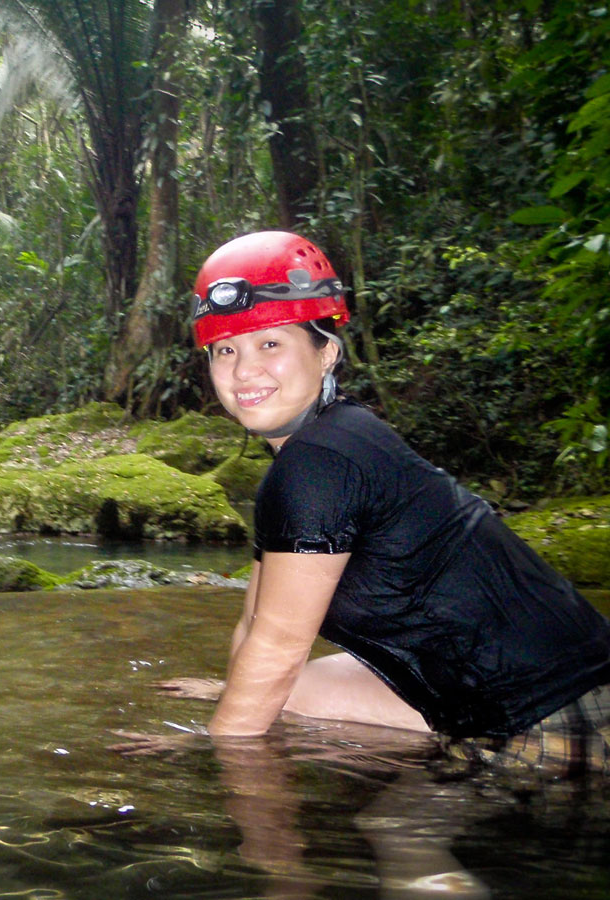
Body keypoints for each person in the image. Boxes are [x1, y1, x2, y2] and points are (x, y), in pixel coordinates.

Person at [111, 230, 610, 773]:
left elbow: (278, 649)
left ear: (325, 352)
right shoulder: (330, 442)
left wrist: (217, 753)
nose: (243, 370)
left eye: (270, 344)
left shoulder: (320, 462)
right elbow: (257, 622)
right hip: (561, 681)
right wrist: (229, 694)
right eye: (225, 349)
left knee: (396, 833)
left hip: (557, 717)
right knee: (286, 692)